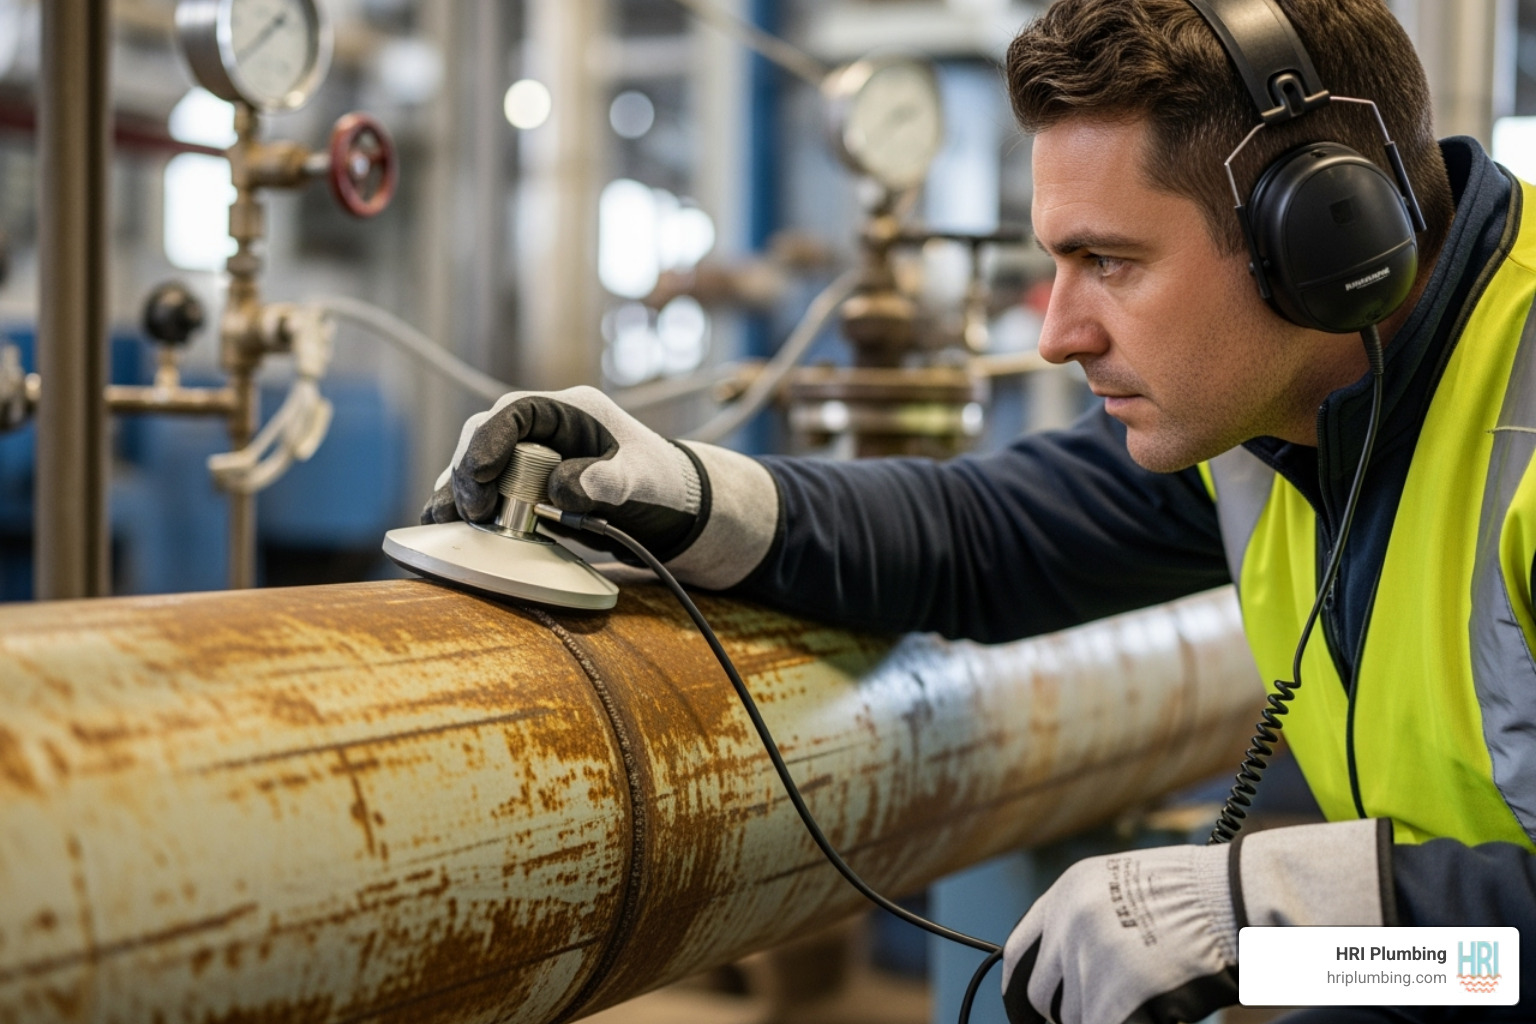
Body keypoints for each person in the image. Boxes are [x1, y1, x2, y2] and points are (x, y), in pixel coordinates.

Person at [422, 0, 1535, 1020]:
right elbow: (988, 536)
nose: (1057, 332)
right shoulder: (1273, 417)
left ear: (1323, 240)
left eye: (1109, 261)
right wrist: (687, 493)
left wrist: (1263, 901)